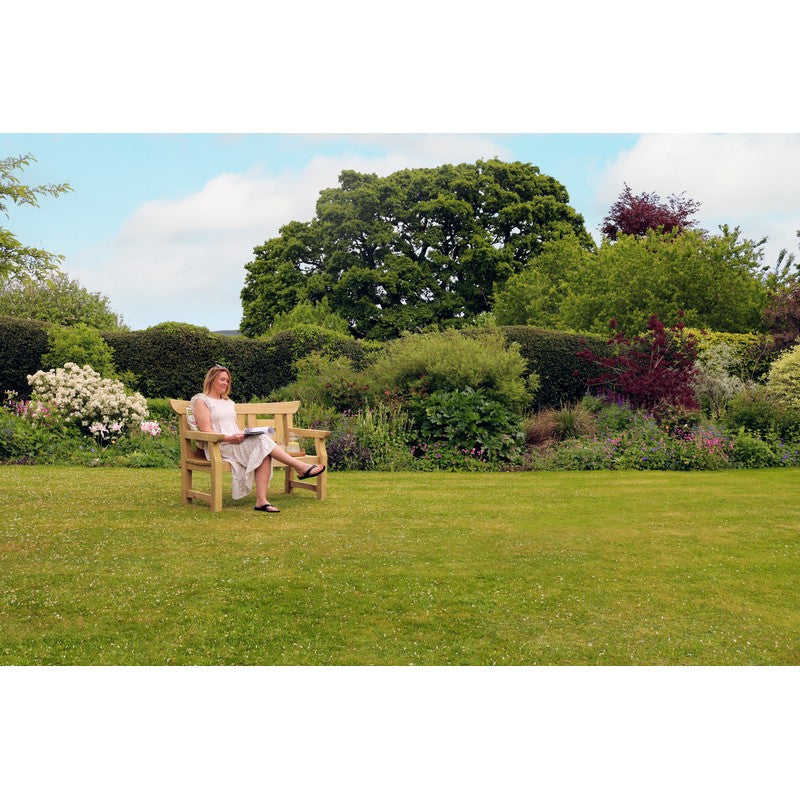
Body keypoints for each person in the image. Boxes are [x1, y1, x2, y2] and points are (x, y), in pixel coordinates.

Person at [191, 364, 325, 512]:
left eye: (227, 381)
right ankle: (300, 467)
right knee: (263, 443)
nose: (225, 383)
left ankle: (262, 501)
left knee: (263, 446)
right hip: (219, 446)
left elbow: (233, 426)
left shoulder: (228, 402)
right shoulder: (201, 400)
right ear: (212, 379)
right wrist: (230, 438)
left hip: (236, 441)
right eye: (222, 379)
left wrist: (244, 434)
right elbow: (206, 430)